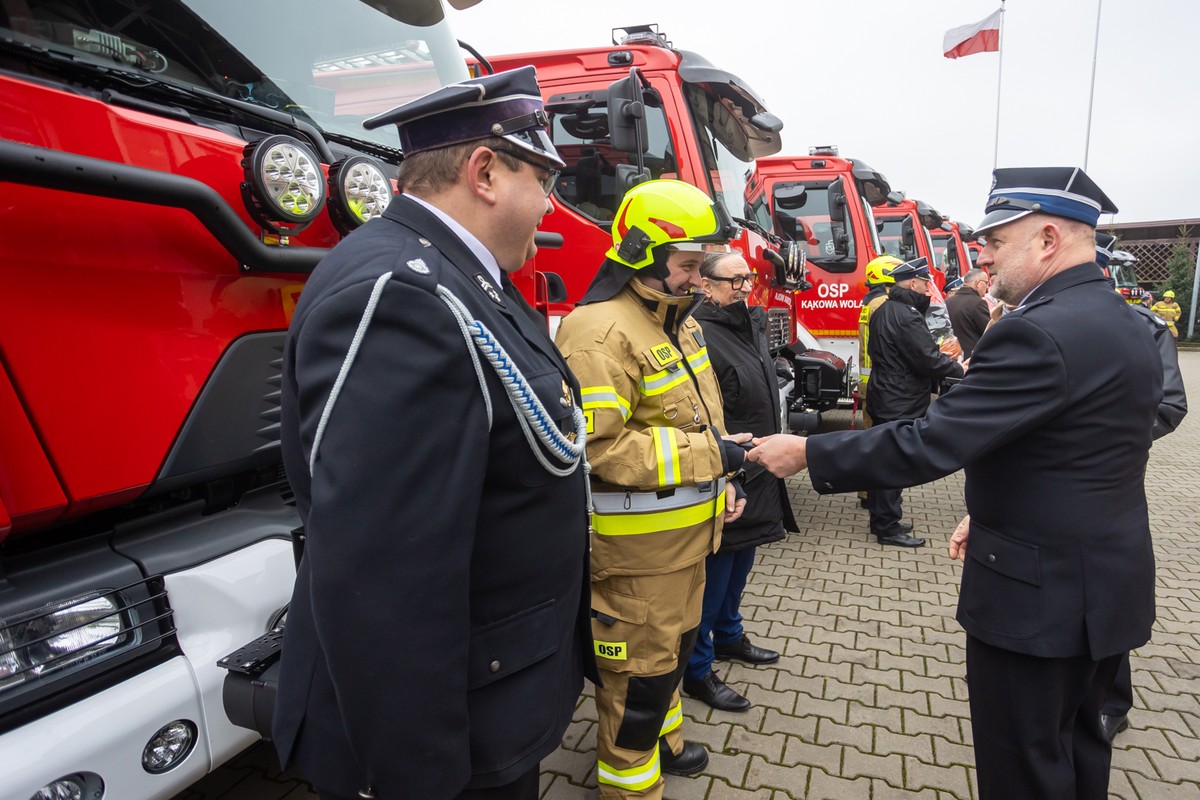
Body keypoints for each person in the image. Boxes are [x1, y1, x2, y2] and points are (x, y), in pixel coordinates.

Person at [747, 166, 1163, 800]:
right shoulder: (1128, 322)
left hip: (1039, 597)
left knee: (1023, 765)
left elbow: (930, 441)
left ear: (1047, 239)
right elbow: (1084, 446)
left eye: (996, 241)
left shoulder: (1035, 330)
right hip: (1107, 586)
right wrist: (996, 503)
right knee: (1081, 750)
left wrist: (808, 451)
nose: (985, 258)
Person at [273, 67, 597, 800]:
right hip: (448, 739)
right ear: (485, 171)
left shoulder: (459, 277)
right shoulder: (406, 293)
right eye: (542, 180)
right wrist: (417, 778)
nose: (550, 206)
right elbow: (384, 578)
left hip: (492, 700)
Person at [555, 179, 748, 799]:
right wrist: (710, 455)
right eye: (688, 265)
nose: (699, 277)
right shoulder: (598, 332)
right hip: (636, 555)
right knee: (636, 680)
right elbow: (597, 448)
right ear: (643, 252)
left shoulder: (677, 324)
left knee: (671, 655)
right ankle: (631, 787)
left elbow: (696, 421)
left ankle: (663, 743)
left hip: (686, 540)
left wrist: (725, 476)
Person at [681, 251, 798, 712]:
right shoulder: (700, 332)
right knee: (716, 572)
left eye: (747, 278)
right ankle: (697, 668)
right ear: (705, 286)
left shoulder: (747, 324)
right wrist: (728, 466)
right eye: (734, 280)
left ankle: (729, 636)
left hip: (758, 464)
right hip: (729, 469)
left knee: (742, 563)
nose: (745, 286)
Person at [1093, 232, 1189, 742]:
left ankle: (1112, 702)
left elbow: (1170, 405)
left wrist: (1095, 438)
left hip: (1110, 480)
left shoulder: (1145, 327)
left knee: (1110, 596)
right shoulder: (1027, 321)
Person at [861, 257, 965, 548]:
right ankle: (888, 527)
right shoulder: (907, 314)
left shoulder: (884, 309)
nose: (928, 290)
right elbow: (926, 358)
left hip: (886, 393)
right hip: (900, 398)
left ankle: (882, 517)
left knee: (883, 459)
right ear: (913, 283)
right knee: (893, 463)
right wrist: (959, 369)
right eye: (925, 284)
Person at [945, 268, 992, 358]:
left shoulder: (948, 302)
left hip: (953, 357)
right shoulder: (978, 302)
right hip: (973, 358)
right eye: (986, 283)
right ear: (977, 283)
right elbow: (989, 332)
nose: (987, 287)